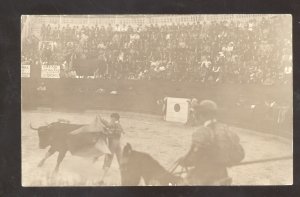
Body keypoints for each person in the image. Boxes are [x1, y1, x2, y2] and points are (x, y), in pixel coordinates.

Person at [178, 100, 237, 185]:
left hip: (204, 177)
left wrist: (184, 161)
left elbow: (193, 158)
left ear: (202, 115)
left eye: (198, 114)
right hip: (223, 175)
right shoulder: (225, 129)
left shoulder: (202, 132)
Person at [98, 113, 124, 182]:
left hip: (113, 143)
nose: (111, 119)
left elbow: (109, 126)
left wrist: (101, 120)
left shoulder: (114, 123)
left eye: (111, 118)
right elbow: (110, 126)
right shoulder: (119, 124)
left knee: (108, 159)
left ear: (115, 118)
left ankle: (101, 179)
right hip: (118, 144)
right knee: (120, 161)